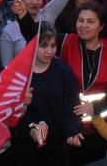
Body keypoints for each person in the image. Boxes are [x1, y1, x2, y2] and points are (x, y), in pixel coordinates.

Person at [60, 2, 107, 164]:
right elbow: (36, 34)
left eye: (90, 21)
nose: (84, 25)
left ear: (101, 26)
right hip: (69, 131)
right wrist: (22, 15)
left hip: (101, 130)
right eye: (80, 20)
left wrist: (95, 107)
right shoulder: (65, 42)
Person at [12, 23, 81, 165]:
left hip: (58, 143)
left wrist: (72, 130)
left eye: (53, 45)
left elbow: (72, 104)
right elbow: (10, 110)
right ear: (32, 45)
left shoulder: (63, 70)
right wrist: (30, 128)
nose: (49, 51)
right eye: (43, 46)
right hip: (28, 145)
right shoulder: (19, 73)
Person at [0, 0, 78, 68]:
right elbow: (6, 67)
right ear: (19, 0)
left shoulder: (48, 14)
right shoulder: (8, 31)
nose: (35, 2)